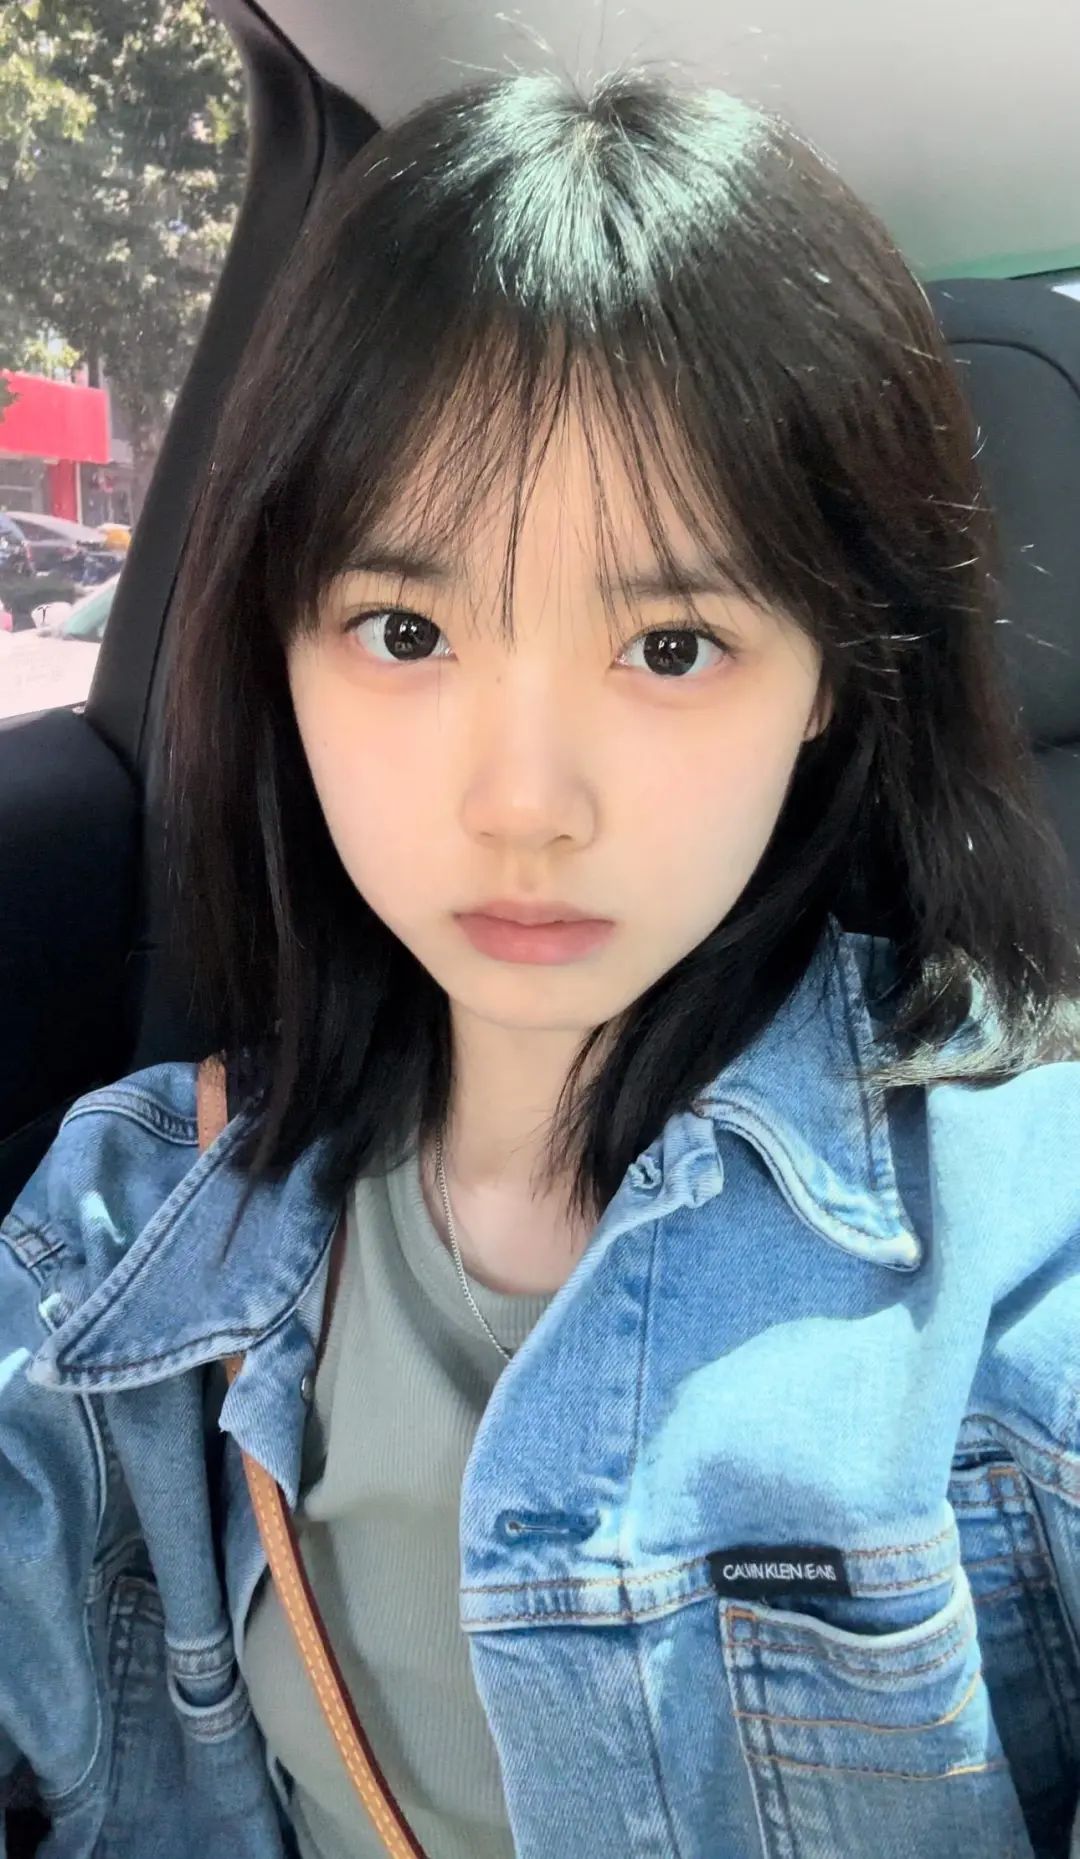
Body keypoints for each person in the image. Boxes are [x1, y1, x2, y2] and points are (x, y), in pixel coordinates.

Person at [2, 65, 1079, 1859]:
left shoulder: (1021, 1236)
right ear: (280, 649)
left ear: (830, 675)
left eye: (672, 646)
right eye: (403, 628)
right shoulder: (124, 1231)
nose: (523, 806)